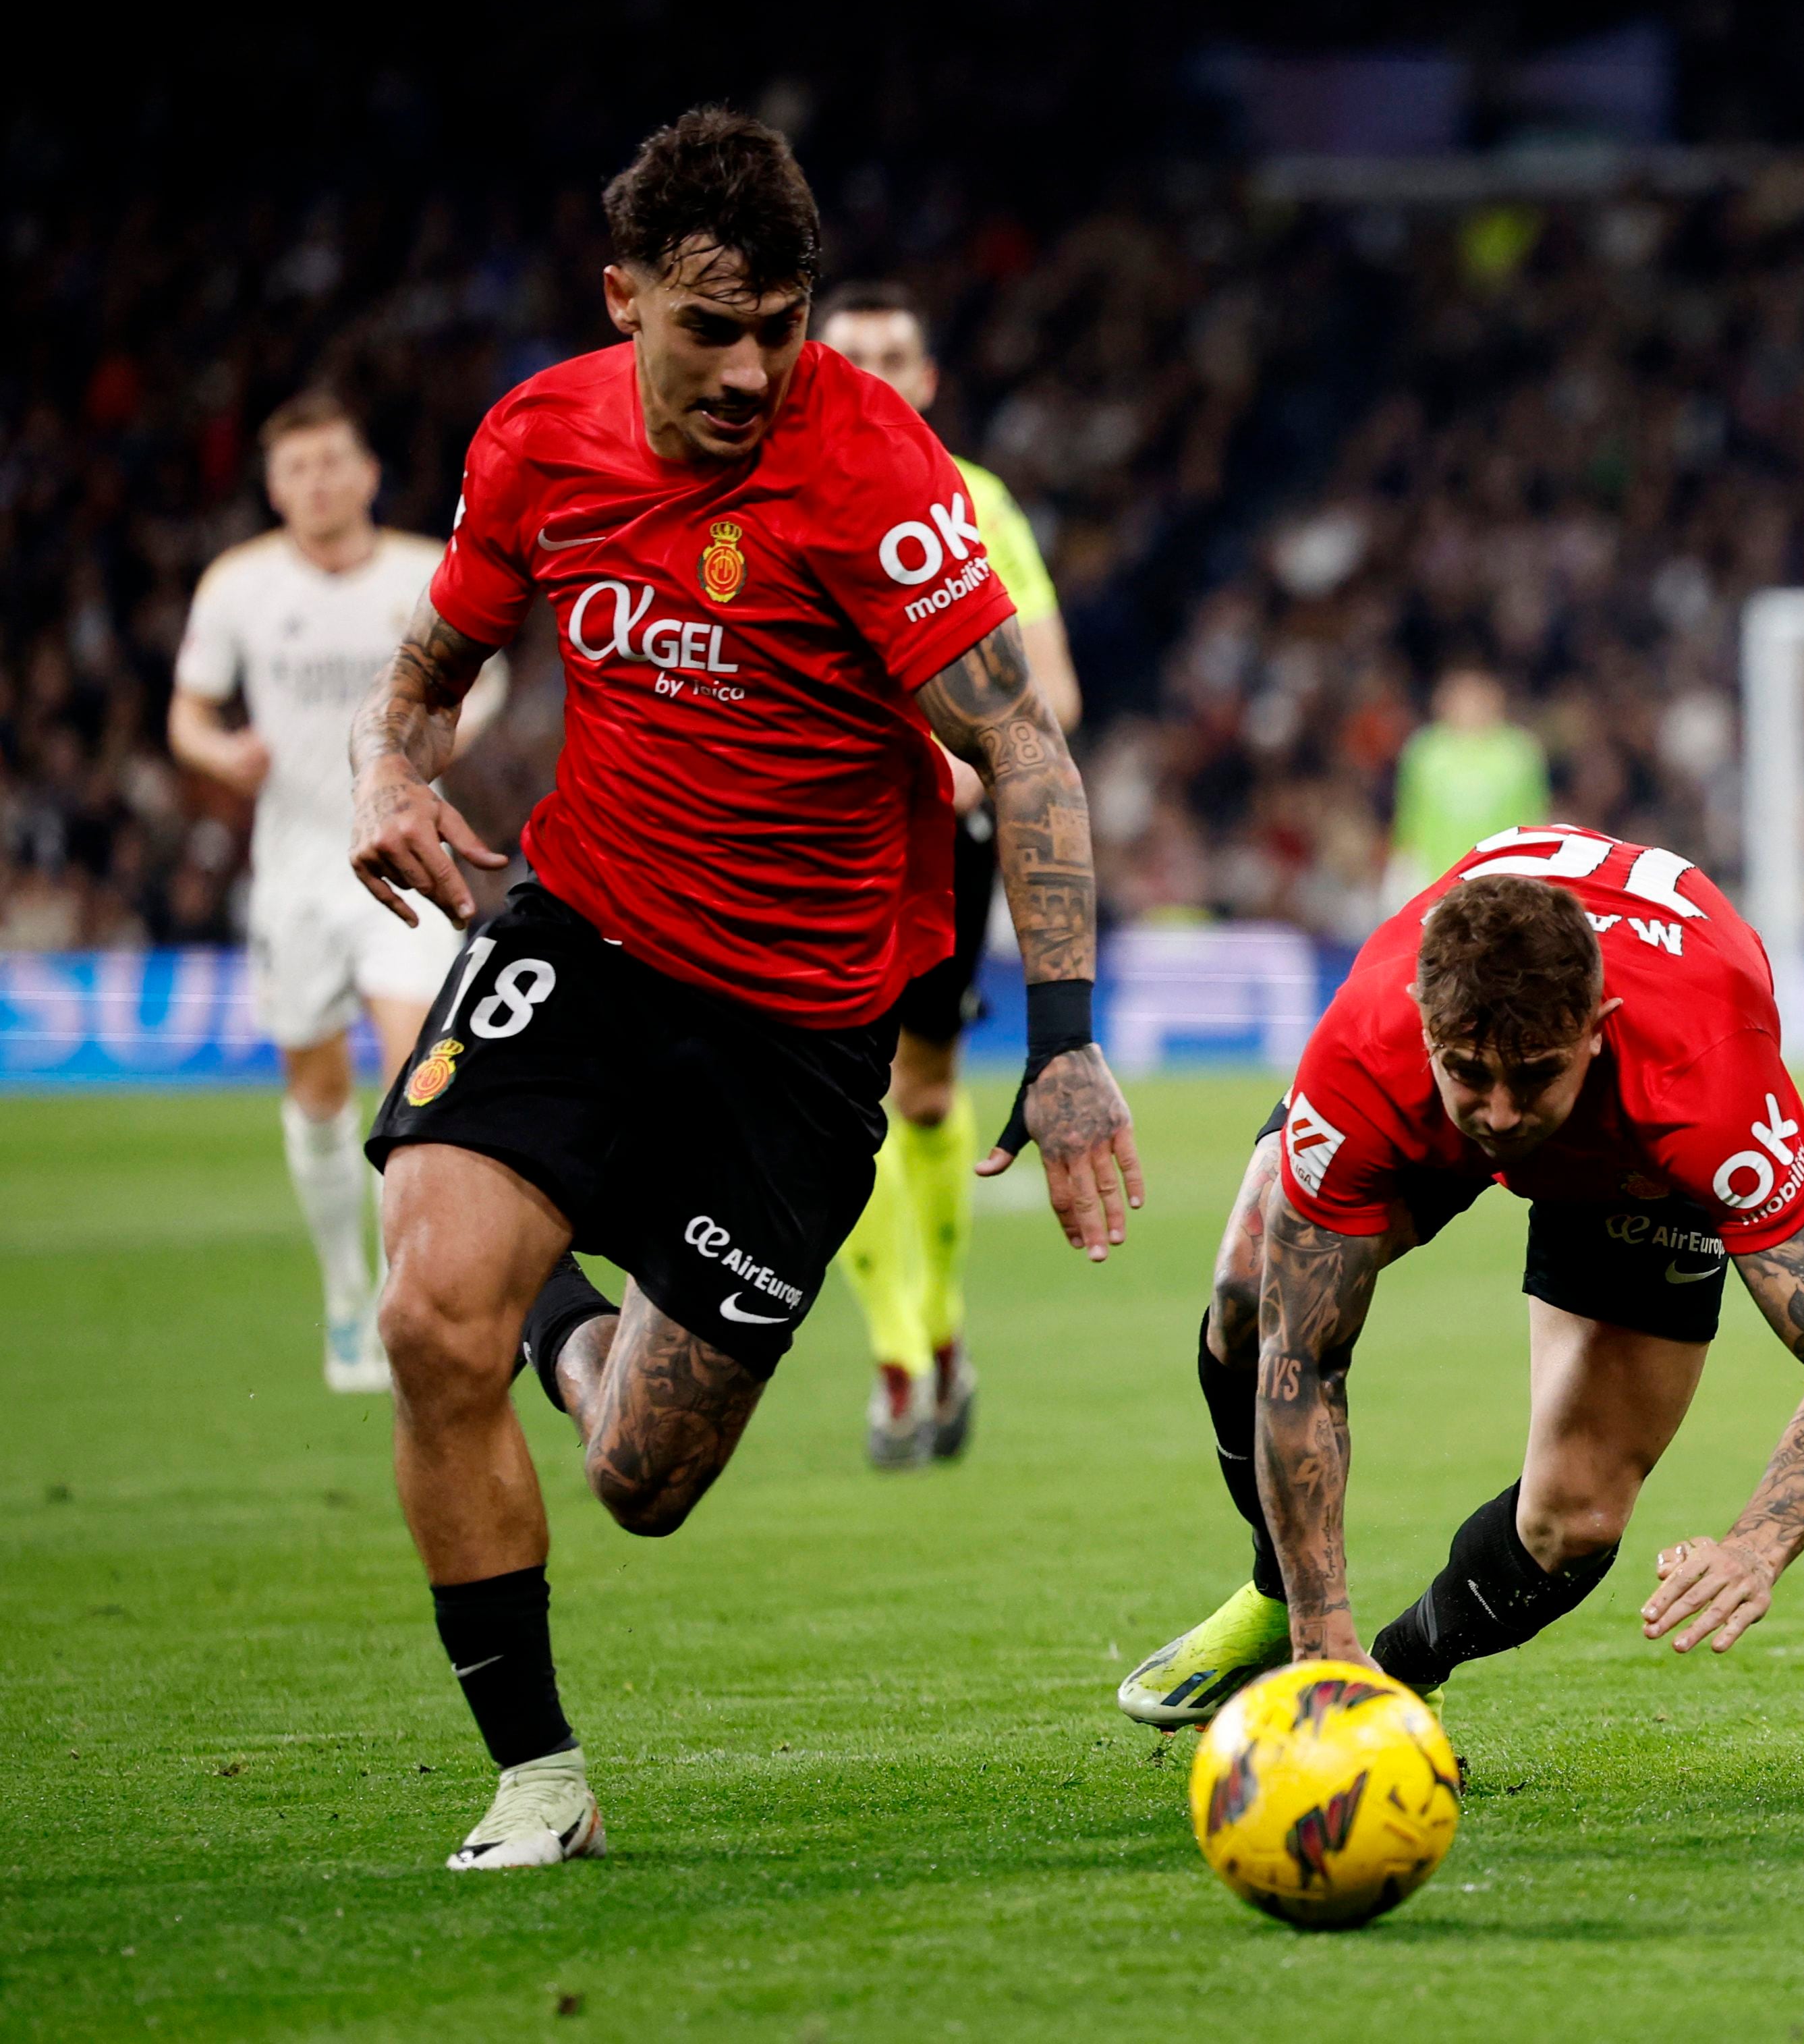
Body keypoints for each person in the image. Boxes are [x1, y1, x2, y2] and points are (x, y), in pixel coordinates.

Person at [344, 109, 1140, 1871]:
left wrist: (1068, 1046)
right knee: (423, 1319)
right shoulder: (536, 440)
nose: (752, 365)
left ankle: (567, 1327)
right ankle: (538, 1781)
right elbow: (431, 666)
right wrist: (387, 776)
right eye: (712, 326)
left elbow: (1023, 746)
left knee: (640, 1475)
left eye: (779, 323)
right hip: (584, 936)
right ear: (621, 296)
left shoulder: (874, 472)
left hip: (800, 1024)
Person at [1116, 826, 1804, 1725]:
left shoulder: (1706, 1080)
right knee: (1249, 1295)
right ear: (1420, 1017)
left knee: (1575, 1523)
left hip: (1623, 1155)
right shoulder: (1367, 1043)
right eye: (1469, 1075)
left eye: (1534, 1076)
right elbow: (1304, 1360)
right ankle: (1277, 1599)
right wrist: (1315, 1639)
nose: (1499, 1113)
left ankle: (1392, 1683)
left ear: (1598, 1032)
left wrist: (1758, 1545)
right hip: (1437, 1094)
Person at [169, 391, 507, 1393]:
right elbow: (187, 711)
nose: (317, 482)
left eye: (332, 463)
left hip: (402, 848)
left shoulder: (418, 574)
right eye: (297, 469)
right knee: (316, 1089)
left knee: (418, 1071)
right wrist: (220, 750)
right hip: (296, 869)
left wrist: (427, 751)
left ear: (366, 473)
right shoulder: (239, 585)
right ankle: (346, 1299)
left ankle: (417, 1294)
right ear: (275, 487)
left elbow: (478, 679)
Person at [816, 279, 1082, 1469]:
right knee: (833, 1099)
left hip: (940, 838)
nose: (872, 371)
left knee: (920, 1096)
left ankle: (943, 1338)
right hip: (810, 840)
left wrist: (970, 753)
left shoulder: (973, 503)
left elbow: (1053, 692)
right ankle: (895, 1360)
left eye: (892, 354)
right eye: (849, 353)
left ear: (924, 380)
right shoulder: (767, 494)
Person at [1384, 665, 1548, 897]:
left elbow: (1535, 815)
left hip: (1500, 879)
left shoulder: (1518, 752)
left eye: (1476, 697)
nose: (1469, 705)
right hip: (1436, 877)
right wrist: (1403, 867)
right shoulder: (1425, 750)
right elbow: (1408, 814)